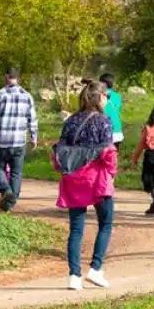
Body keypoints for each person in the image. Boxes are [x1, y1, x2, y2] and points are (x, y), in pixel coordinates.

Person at [52, 81, 117, 292]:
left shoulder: (71, 121)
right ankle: (96, 268)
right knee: (105, 223)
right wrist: (111, 174)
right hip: (96, 178)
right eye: (106, 96)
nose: (107, 99)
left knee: (76, 229)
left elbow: (60, 150)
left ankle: (74, 276)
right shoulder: (103, 121)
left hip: (73, 179)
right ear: (100, 97)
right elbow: (108, 152)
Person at [0, 67, 38, 213]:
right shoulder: (27, 96)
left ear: (6, 77)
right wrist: (34, 137)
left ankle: (6, 190)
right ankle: (10, 204)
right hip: (19, 142)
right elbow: (32, 119)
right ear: (18, 79)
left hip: (2, 141)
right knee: (16, 173)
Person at [100, 73, 124, 148]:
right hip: (117, 131)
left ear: (102, 83)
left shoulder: (99, 95)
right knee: (113, 154)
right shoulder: (117, 96)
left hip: (104, 131)